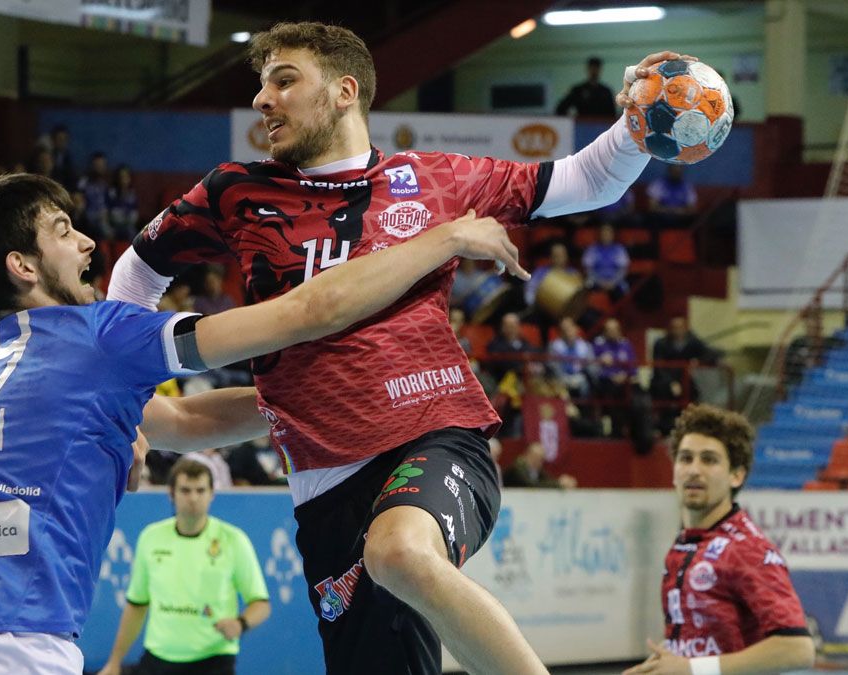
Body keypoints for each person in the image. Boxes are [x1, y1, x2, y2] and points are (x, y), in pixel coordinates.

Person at [108, 22, 671, 674]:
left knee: (398, 552)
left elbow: (587, 179)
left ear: (346, 90)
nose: (264, 99)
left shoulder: (433, 179)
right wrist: (125, 397)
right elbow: (137, 272)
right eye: (261, 84)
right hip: (323, 483)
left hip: (432, 435)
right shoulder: (236, 189)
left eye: (284, 80)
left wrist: (639, 126)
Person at [0, 172, 526, 674]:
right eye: (64, 231)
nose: (88, 243)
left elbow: (177, 421)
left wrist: (315, 400)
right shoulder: (100, 339)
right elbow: (311, 309)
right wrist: (443, 239)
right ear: (23, 267)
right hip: (12, 645)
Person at [624, 404, 815, 675]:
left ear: (736, 475)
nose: (694, 470)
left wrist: (692, 669)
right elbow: (696, 647)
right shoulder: (684, 544)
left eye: (709, 460)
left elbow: (798, 649)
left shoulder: (746, 548)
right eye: (685, 458)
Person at [98, 458, 270, 675]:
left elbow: (261, 603)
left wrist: (241, 623)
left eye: (200, 490)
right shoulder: (151, 538)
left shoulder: (233, 540)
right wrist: (114, 662)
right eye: (186, 490)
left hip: (214, 660)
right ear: (172, 493)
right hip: (158, 659)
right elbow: (137, 604)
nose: (193, 498)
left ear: (212, 494)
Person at [582, 222, 630, 301]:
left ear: (613, 234)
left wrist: (613, 282)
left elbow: (622, 270)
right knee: (586, 286)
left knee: (624, 289)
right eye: (603, 232)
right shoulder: (592, 249)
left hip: (615, 282)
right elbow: (588, 270)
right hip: (596, 281)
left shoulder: (619, 249)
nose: (606, 234)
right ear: (599, 234)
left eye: (608, 232)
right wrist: (600, 282)